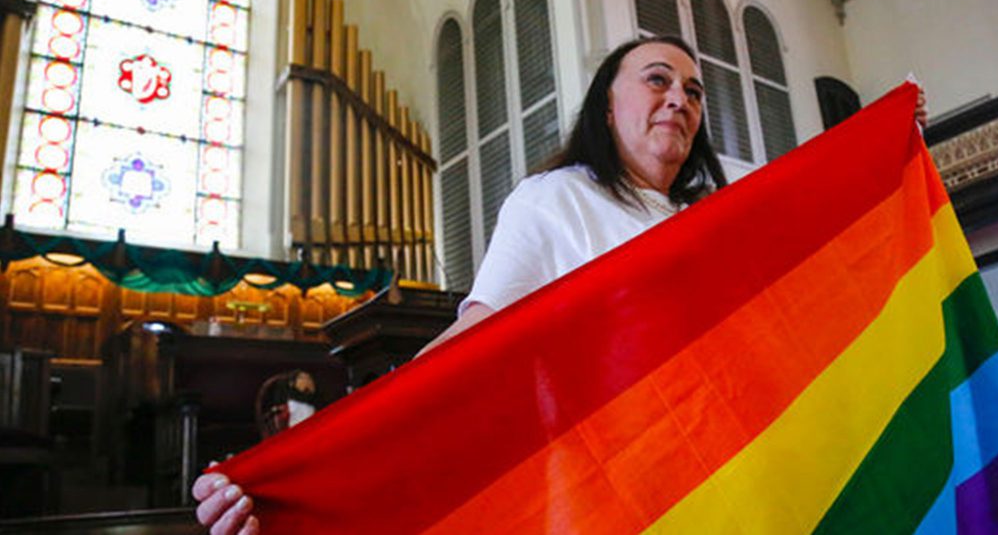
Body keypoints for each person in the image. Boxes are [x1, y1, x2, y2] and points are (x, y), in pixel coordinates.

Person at [192, 35, 928, 534]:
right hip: (620, 482)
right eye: (658, 80)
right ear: (607, 104)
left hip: (740, 468)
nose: (680, 99)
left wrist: (884, 142)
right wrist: (313, 451)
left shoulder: (712, 214)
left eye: (695, 92)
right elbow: (473, 337)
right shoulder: (556, 199)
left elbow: (810, 228)